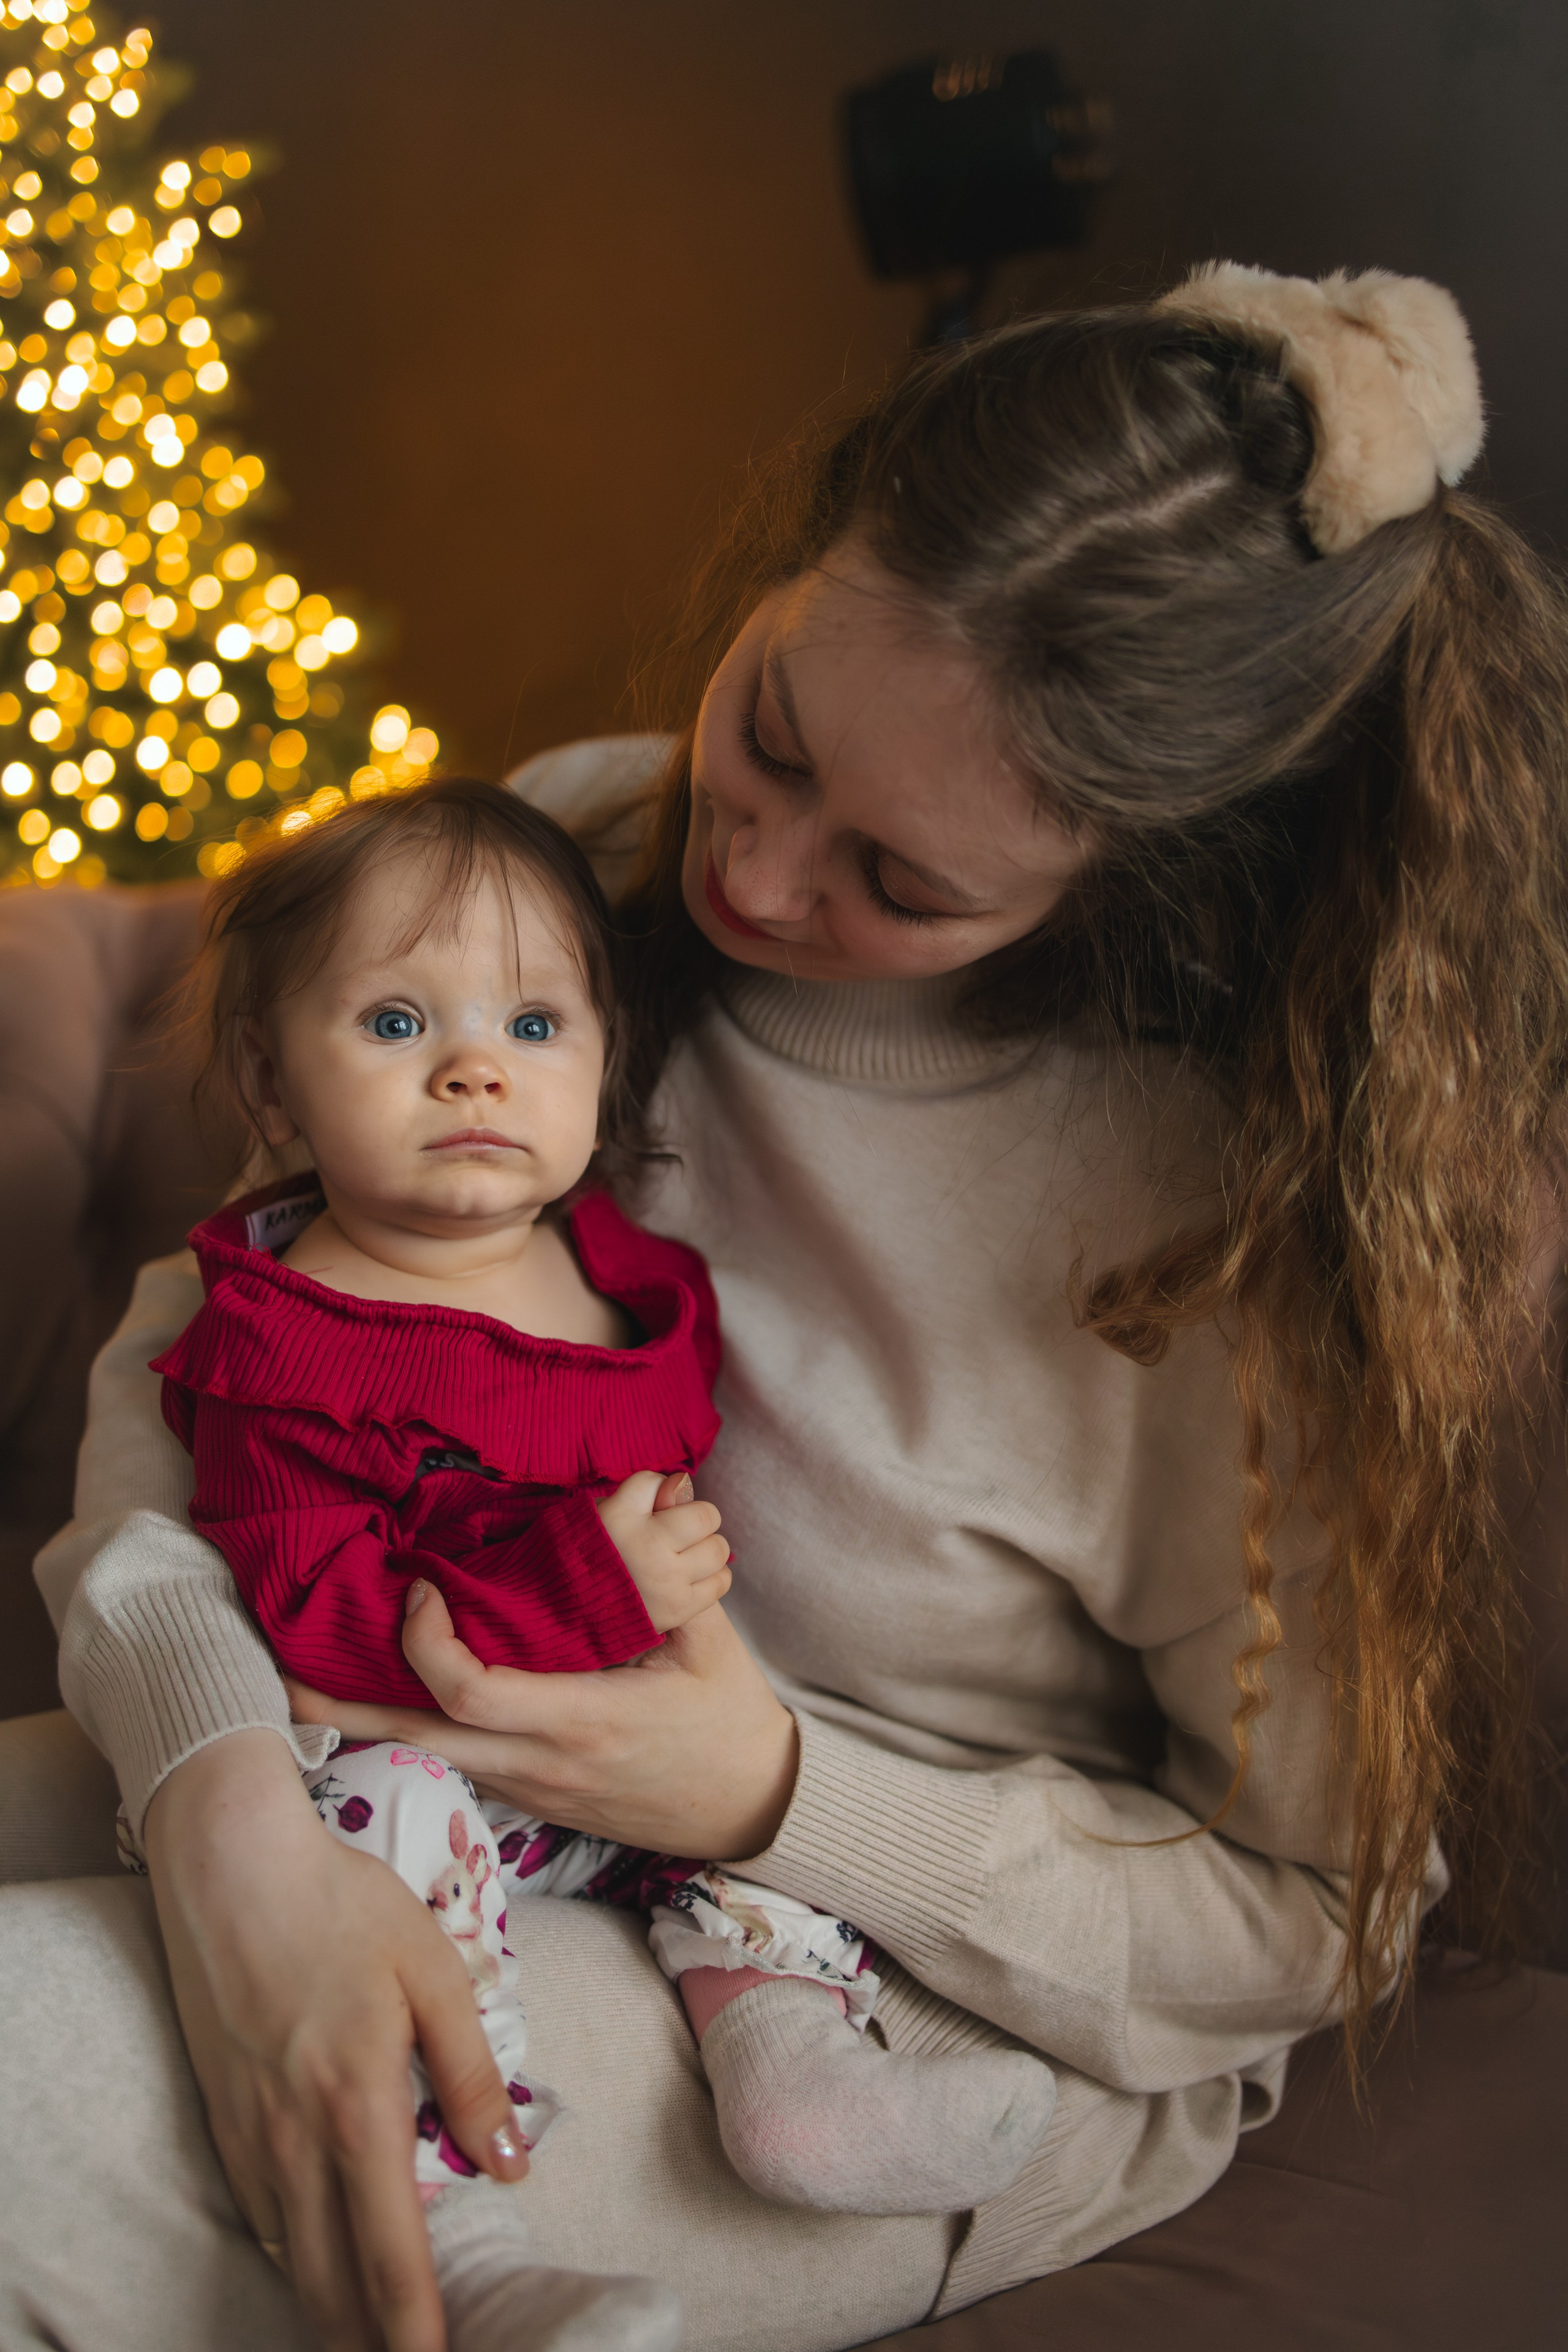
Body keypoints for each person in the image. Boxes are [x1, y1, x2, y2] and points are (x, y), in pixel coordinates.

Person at [4, 260, 1564, 2352]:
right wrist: (214, 1811)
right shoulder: (578, 855)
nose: (751, 877)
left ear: (1142, 876)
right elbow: (217, 1358)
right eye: (775, 731)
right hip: (355, 1744)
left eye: (900, 883)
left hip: (850, 1991)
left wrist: (767, 1790)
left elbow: (1302, 1921)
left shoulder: (1223, 1234)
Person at [150, 774, 1054, 2334]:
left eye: (531, 1029)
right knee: (379, 1826)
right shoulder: (285, 1339)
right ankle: (464, 2239)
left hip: (641, 1772)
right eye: (390, 1026)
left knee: (777, 1809)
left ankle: (794, 2077)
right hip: (413, 1769)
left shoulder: (628, 1280)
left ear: (601, 1060)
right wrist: (586, 1591)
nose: (469, 1078)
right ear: (270, 1084)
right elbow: (311, 1620)